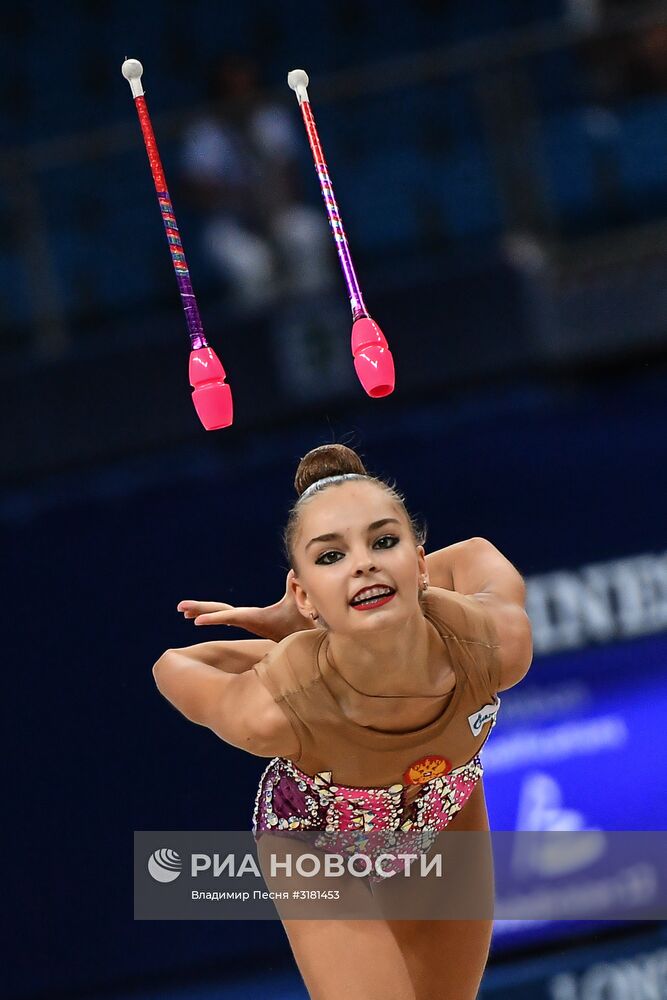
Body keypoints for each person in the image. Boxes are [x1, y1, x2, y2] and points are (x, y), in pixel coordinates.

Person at [153, 443, 533, 999]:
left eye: (384, 541)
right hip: (315, 845)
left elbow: (475, 551)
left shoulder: (493, 644)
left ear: (420, 562)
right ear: (304, 594)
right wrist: (285, 639)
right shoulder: (277, 705)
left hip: (443, 814)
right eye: (331, 556)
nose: (363, 563)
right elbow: (172, 665)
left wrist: (308, 625)